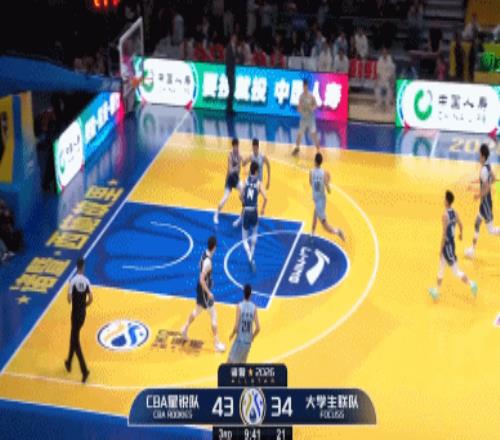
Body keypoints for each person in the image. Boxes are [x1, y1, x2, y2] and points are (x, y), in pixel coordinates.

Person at [429, 191, 477, 300]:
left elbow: (444, 234)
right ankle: (437, 291)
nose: (443, 200)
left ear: (446, 201)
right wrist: (460, 234)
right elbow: (461, 225)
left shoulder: (444, 215)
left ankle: (472, 284)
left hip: (447, 247)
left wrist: (440, 249)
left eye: (444, 199)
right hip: (451, 244)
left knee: (456, 272)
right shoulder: (454, 212)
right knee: (441, 267)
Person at [181, 236, 226, 353]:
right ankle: (216, 343)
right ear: (214, 247)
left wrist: (209, 279)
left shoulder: (204, 254)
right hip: (204, 291)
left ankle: (184, 329)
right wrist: (209, 292)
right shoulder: (208, 262)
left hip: (200, 289)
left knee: (197, 310)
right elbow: (202, 279)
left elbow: (200, 268)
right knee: (214, 315)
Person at [465, 144, 500, 259]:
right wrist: (480, 184)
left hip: (486, 204)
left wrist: (477, 195)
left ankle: (472, 250)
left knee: (491, 230)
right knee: (477, 223)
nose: (478, 157)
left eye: (479, 155)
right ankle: (472, 249)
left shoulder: (484, 170)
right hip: (484, 203)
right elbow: (493, 179)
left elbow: (486, 189)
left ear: (483, 156)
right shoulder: (488, 166)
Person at [65, 257, 92, 383]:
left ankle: (84, 370)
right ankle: (68, 362)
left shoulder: (73, 281)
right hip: (83, 315)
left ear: (76, 267)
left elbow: (69, 300)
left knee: (75, 341)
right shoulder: (86, 281)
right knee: (73, 337)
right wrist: (84, 305)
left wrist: (73, 298)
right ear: (83, 267)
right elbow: (91, 299)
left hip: (75, 314)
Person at [234, 138, 271, 228]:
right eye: (253, 148)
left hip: (258, 183)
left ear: (258, 147)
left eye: (255, 147)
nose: (254, 149)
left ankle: (252, 214)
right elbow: (244, 164)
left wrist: (268, 180)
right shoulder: (251, 156)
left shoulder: (262, 156)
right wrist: (241, 158)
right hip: (250, 181)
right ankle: (242, 217)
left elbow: (268, 166)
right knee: (244, 198)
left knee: (258, 199)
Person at [310, 152, 345, 241]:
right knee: (315, 214)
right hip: (320, 199)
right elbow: (329, 191)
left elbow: (311, 183)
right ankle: (312, 233)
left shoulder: (311, 172)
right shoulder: (324, 173)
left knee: (325, 225)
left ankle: (338, 232)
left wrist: (318, 185)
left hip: (319, 201)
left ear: (315, 161)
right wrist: (327, 183)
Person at [240, 161, 268, 269]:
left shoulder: (245, 181)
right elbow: (266, 198)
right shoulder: (259, 183)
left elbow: (240, 196)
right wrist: (263, 209)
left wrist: (244, 202)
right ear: (256, 171)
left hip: (247, 211)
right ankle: (252, 254)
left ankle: (250, 256)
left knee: (244, 239)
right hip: (255, 211)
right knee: (255, 233)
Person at [228, 284, 260, 363]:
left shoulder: (240, 306)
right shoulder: (254, 307)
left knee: (228, 365)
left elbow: (236, 327)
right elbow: (258, 328)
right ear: (251, 294)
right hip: (247, 343)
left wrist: (232, 334)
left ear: (243, 292)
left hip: (239, 341)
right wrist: (252, 337)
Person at [214, 138, 242, 224]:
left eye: (237, 146)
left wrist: (237, 167)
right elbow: (230, 170)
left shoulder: (239, 155)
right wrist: (237, 166)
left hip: (236, 179)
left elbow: (238, 170)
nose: (236, 148)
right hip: (229, 180)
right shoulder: (230, 156)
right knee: (225, 198)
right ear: (233, 146)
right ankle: (216, 214)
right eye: (235, 146)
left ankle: (243, 215)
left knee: (244, 194)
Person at [292, 79, 320, 156]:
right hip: (303, 118)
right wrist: (299, 109)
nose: (304, 87)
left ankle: (318, 151)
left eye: (306, 86)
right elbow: (299, 106)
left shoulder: (311, 96)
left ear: (307, 86)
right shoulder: (301, 96)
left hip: (310, 118)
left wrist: (312, 108)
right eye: (303, 86)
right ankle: (297, 148)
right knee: (300, 133)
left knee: (313, 134)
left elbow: (316, 105)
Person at [225, 34, 238, 114]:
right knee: (231, 89)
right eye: (235, 38)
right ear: (232, 38)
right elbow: (228, 59)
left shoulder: (234, 47)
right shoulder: (229, 47)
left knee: (232, 89)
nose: (236, 39)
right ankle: (229, 108)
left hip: (232, 71)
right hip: (230, 71)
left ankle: (229, 107)